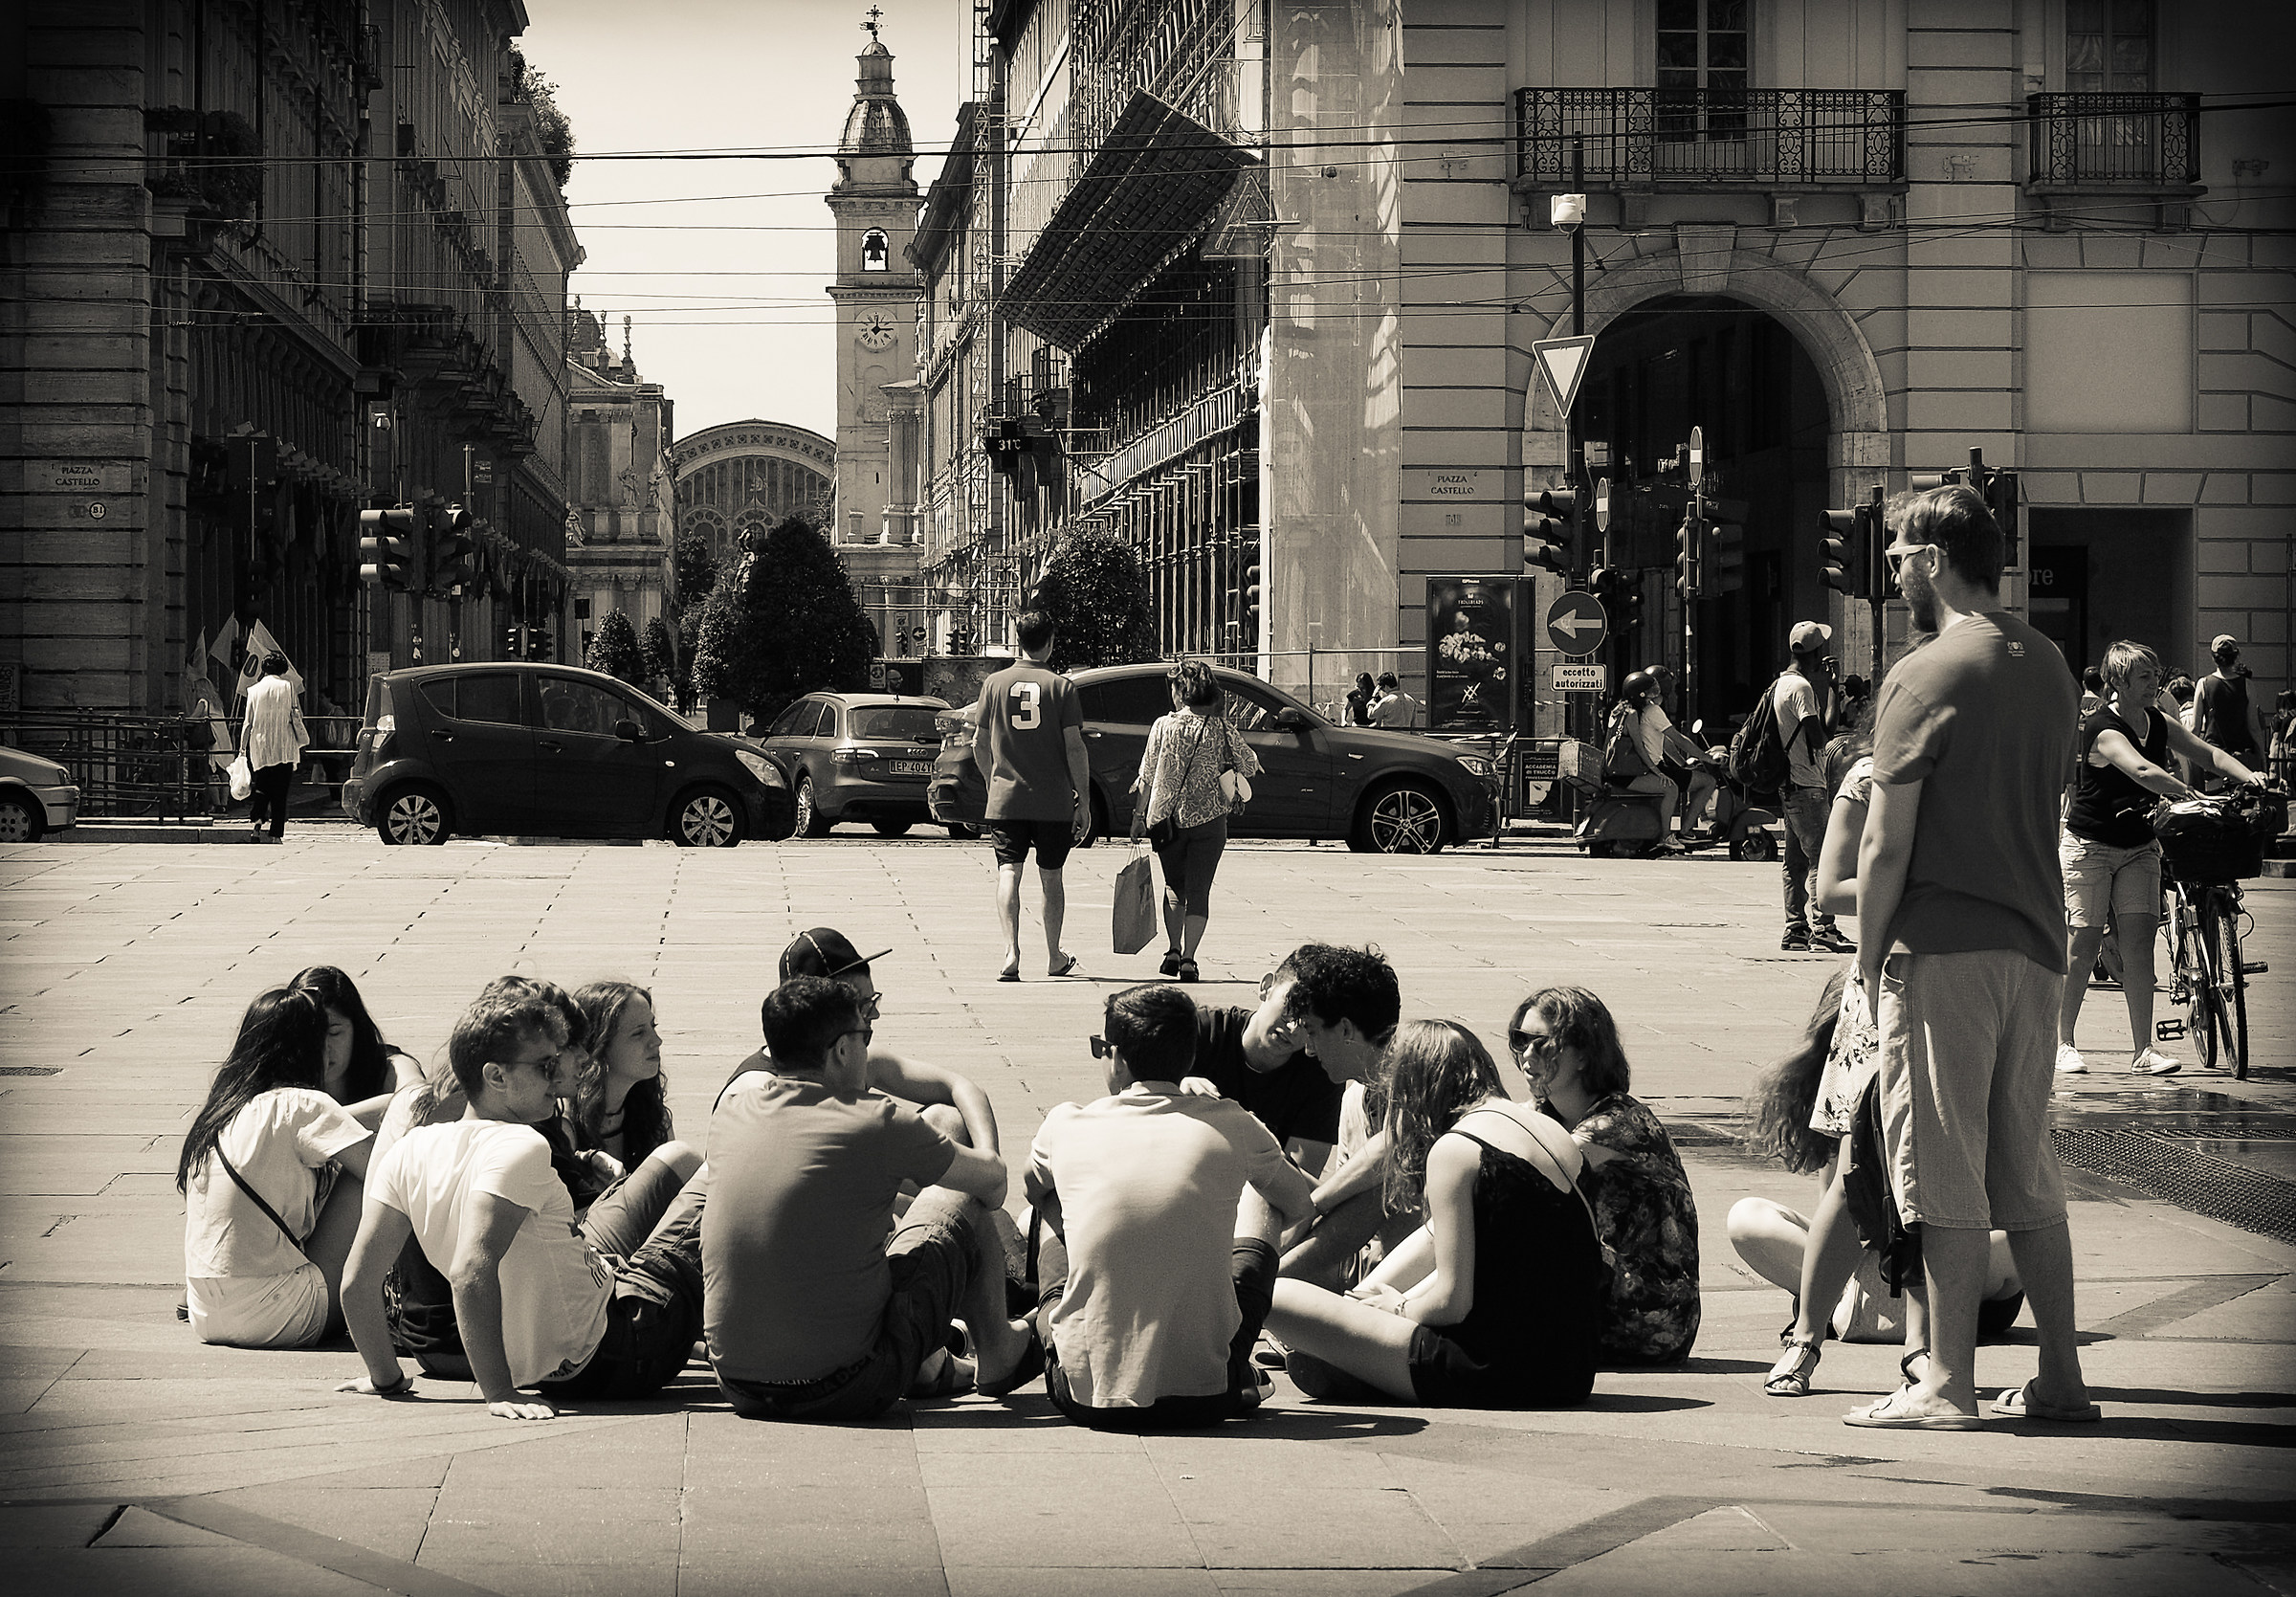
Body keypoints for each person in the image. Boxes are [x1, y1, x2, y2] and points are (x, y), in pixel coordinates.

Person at [1849, 482, 2096, 1430]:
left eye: (1902, 553)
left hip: (1945, 948)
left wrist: (1867, 963)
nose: (1893, 568)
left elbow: (1885, 841)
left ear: (1937, 560)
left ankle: (1945, 1384)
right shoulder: (2049, 665)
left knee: (1942, 1167)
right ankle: (2061, 1378)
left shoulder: (1924, 674)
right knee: (2027, 1169)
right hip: (2036, 946)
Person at [336, 979, 706, 1417]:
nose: (561, 1075)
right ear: (496, 1076)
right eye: (546, 1066)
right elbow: (471, 1270)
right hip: (619, 1347)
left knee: (677, 1173)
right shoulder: (521, 1146)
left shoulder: (409, 1149)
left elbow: (358, 1283)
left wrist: (385, 1377)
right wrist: (499, 1394)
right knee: (723, 1173)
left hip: (562, 1341)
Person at [701, 977, 1038, 1420]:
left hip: (738, 1384)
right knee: (958, 1193)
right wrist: (988, 1160)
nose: (868, 1048)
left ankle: (938, 1362)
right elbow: (991, 1186)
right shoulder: (877, 1123)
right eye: (866, 1037)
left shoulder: (732, 1112)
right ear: (842, 1050)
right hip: (845, 1384)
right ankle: (999, 1352)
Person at [1264, 1022, 1607, 1407]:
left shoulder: (1456, 1149)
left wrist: (1394, 1308)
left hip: (1494, 1370)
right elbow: (1438, 1237)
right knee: (1428, 1238)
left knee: (1273, 1294)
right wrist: (1363, 1305)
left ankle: (1355, 1355)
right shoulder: (1547, 1128)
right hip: (1570, 1369)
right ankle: (1357, 1342)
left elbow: (1452, 1301)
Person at [1024, 985, 1317, 1429]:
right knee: (1263, 1191)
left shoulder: (1065, 1123)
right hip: (1206, 1395)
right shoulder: (1233, 1121)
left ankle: (1050, 1317)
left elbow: (1030, 1187)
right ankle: (1229, 1352)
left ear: (1117, 1058)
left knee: (1051, 1193)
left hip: (1085, 1395)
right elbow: (1300, 1205)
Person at [2059, 640, 2265, 1077]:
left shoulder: (2158, 720)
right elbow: (2140, 770)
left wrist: (2252, 777)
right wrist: (2186, 793)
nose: (2156, 684)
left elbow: (2208, 752)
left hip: (2138, 846)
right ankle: (2063, 1042)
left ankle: (2143, 1050)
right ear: (2118, 682)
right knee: (2084, 943)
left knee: (2138, 948)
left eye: (2155, 674)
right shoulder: (2103, 727)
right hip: (2090, 846)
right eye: (2145, 677)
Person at [1511, 986, 1700, 1364]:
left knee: (1503, 1206)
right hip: (1597, 1293)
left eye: (1542, 1044)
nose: (1526, 1056)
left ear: (1582, 1055)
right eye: (1520, 1040)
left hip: (1648, 1313)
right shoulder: (1543, 1112)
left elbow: (1514, 1180)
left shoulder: (1620, 1123)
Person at [180, 986, 375, 1348]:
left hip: (205, 1314)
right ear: (309, 1045)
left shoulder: (220, 1113)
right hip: (279, 1313)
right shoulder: (300, 1105)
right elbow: (384, 1175)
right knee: (371, 1178)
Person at [1261, 944, 1411, 1287]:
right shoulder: (1356, 1094)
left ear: (1345, 1030)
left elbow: (1389, 1154)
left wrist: (1310, 1206)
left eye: (1312, 1032)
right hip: (1365, 1259)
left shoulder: (1420, 1072)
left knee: (1377, 1194)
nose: (1309, 1049)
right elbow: (1348, 1203)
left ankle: (1251, 1289)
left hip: (1414, 1277)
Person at [972, 610, 1091, 982]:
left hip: (1006, 799)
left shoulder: (994, 683)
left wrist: (993, 781)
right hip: (1053, 801)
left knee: (1009, 871)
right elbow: (1075, 748)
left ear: (1017, 640)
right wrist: (1083, 800)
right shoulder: (1062, 687)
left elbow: (978, 743)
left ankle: (1011, 951)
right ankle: (1054, 955)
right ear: (1051, 642)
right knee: (1051, 877)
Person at [1132, 659, 1261, 983]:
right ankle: (1189, 959)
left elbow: (1146, 775)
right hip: (1210, 822)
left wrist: (1137, 816)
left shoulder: (1163, 725)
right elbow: (1250, 763)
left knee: (1174, 887)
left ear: (1181, 691)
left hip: (1166, 820)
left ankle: (1173, 949)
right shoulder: (1221, 728)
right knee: (1199, 890)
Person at [1775, 622, 1852, 954]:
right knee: (1822, 857)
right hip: (1807, 785)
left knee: (1794, 861)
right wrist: (1833, 688)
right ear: (1816, 653)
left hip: (1789, 784)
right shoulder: (1802, 689)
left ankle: (1795, 928)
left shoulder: (1779, 684)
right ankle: (1824, 928)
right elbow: (1822, 737)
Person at [291, 965, 424, 1130]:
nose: (323, 1047)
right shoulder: (279, 1074)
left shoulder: (388, 1065)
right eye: (309, 1034)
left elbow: (417, 1098)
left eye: (334, 1032)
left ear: (357, 1029)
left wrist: (311, 1122)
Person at [570, 981, 674, 1166]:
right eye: (639, 1033)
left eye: (653, 1026)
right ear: (600, 1045)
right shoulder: (565, 1121)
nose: (656, 1041)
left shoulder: (651, 1114)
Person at [1604, 671, 1684, 854]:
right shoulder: (1632, 715)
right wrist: (1658, 771)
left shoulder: (1617, 711)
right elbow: (1639, 747)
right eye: (1649, 693)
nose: (1653, 696)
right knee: (1671, 788)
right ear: (1639, 695)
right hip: (1626, 773)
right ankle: (1666, 836)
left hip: (1615, 770)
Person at [242, 654, 308, 843]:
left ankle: (256, 825)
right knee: (280, 793)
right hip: (285, 746)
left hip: (260, 747)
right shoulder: (289, 687)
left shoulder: (253, 690)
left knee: (262, 787)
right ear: (283, 669)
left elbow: (248, 723)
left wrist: (241, 748)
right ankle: (276, 835)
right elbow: (297, 714)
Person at [1648, 665, 1720, 834]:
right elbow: (1678, 739)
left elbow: (1665, 742)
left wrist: (1681, 763)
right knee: (1708, 782)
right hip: (1656, 768)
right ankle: (1685, 832)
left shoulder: (1646, 709)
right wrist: (1706, 757)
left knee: (1688, 779)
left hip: (1651, 767)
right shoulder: (1654, 711)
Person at [2194, 635, 2268, 791]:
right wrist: (2262, 756)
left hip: (2213, 757)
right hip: (2243, 757)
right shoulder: (2247, 685)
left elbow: (2195, 728)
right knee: (2245, 806)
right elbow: (2253, 726)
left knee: (2216, 805)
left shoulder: (2203, 684)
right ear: (2236, 656)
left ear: (2213, 657)